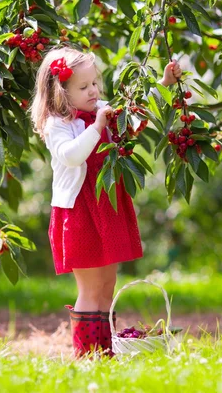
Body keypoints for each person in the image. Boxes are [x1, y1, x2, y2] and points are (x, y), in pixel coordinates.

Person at [29, 46, 182, 358]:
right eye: (83, 87)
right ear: (60, 93)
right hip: (79, 210)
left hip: (106, 204)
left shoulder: (99, 108)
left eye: (95, 83)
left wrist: (164, 84)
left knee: (108, 284)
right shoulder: (56, 124)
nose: (93, 91)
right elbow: (71, 156)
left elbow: (133, 118)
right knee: (89, 287)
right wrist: (98, 126)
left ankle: (106, 350)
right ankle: (87, 354)